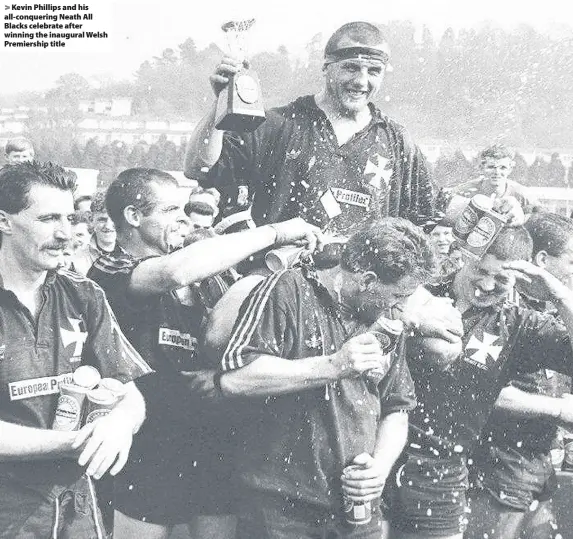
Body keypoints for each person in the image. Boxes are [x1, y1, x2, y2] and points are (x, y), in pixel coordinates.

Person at [87, 167, 323, 539]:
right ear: (133, 217)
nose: (183, 219)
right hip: (149, 444)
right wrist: (274, 232)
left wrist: (277, 263)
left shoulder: (208, 277)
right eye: (169, 210)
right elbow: (174, 273)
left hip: (211, 439)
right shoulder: (109, 269)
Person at [215, 218, 438, 539]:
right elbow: (235, 380)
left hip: (357, 510)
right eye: (399, 295)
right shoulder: (286, 290)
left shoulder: (387, 318)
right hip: (282, 508)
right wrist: (332, 366)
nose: (403, 308)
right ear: (367, 279)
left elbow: (397, 409)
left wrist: (380, 468)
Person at [387, 226, 573, 539]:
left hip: (440, 475)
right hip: (377, 457)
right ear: (463, 255)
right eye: (481, 271)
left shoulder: (518, 326)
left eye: (501, 280)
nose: (487, 285)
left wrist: (556, 293)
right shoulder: (418, 292)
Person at [0, 162, 152, 538]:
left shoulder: (83, 294)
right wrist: (76, 441)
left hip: (75, 506)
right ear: (4, 221)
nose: (65, 233)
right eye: (49, 218)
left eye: (70, 218)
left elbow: (130, 395)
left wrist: (119, 424)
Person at [185, 21, 435, 237]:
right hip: (281, 278)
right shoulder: (278, 125)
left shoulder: (397, 141)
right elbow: (198, 168)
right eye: (350, 67)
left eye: (373, 71)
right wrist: (220, 106)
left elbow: (425, 217)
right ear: (326, 66)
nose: (361, 81)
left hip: (360, 286)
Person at [467, 212, 573, 539]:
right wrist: (557, 409)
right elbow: (478, 388)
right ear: (541, 260)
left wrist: (558, 295)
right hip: (501, 469)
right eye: (571, 260)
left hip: (534, 467)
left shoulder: (542, 311)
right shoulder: (497, 310)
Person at [444, 144, 540, 215]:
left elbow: (539, 220)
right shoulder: (463, 192)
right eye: (491, 167)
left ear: (510, 169)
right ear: (481, 168)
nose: (497, 172)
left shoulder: (524, 195)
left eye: (503, 168)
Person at [73, 190, 119, 275]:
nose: (108, 226)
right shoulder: (76, 260)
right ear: (91, 220)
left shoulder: (133, 254)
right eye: (102, 220)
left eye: (113, 219)